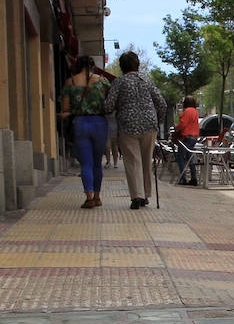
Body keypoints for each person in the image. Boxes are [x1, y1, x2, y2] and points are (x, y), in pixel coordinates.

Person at [104, 50, 168, 209]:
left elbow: (108, 106)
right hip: (149, 125)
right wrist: (156, 121)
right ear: (137, 65)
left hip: (128, 125)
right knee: (147, 161)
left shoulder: (119, 82)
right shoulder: (146, 80)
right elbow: (162, 104)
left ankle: (137, 196)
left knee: (133, 161)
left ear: (122, 67)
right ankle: (146, 194)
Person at [59, 54, 111, 208]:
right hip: (100, 123)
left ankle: (88, 197)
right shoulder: (102, 81)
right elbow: (110, 102)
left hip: (80, 123)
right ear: (93, 66)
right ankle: (97, 196)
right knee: (97, 162)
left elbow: (66, 108)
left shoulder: (71, 82)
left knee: (86, 163)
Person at [174, 96, 201, 185]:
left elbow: (183, 124)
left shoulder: (187, 111)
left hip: (186, 136)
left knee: (180, 157)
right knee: (190, 157)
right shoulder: (195, 111)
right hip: (194, 136)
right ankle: (193, 178)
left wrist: (176, 128)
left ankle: (183, 178)